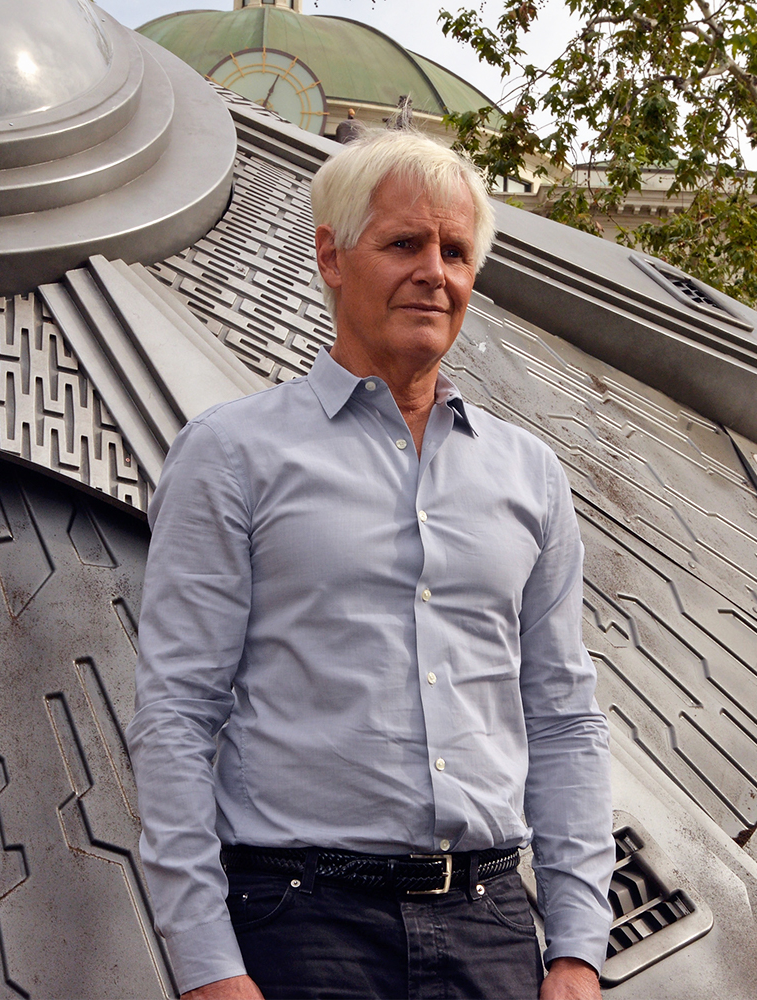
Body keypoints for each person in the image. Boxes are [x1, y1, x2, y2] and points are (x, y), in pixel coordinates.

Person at [127, 128, 613, 1000]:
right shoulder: (234, 454)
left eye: (457, 251)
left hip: (494, 927)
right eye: (404, 243)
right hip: (302, 928)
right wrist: (208, 963)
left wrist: (576, 946)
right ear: (332, 256)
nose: (436, 270)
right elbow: (176, 712)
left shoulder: (529, 475)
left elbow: (564, 714)